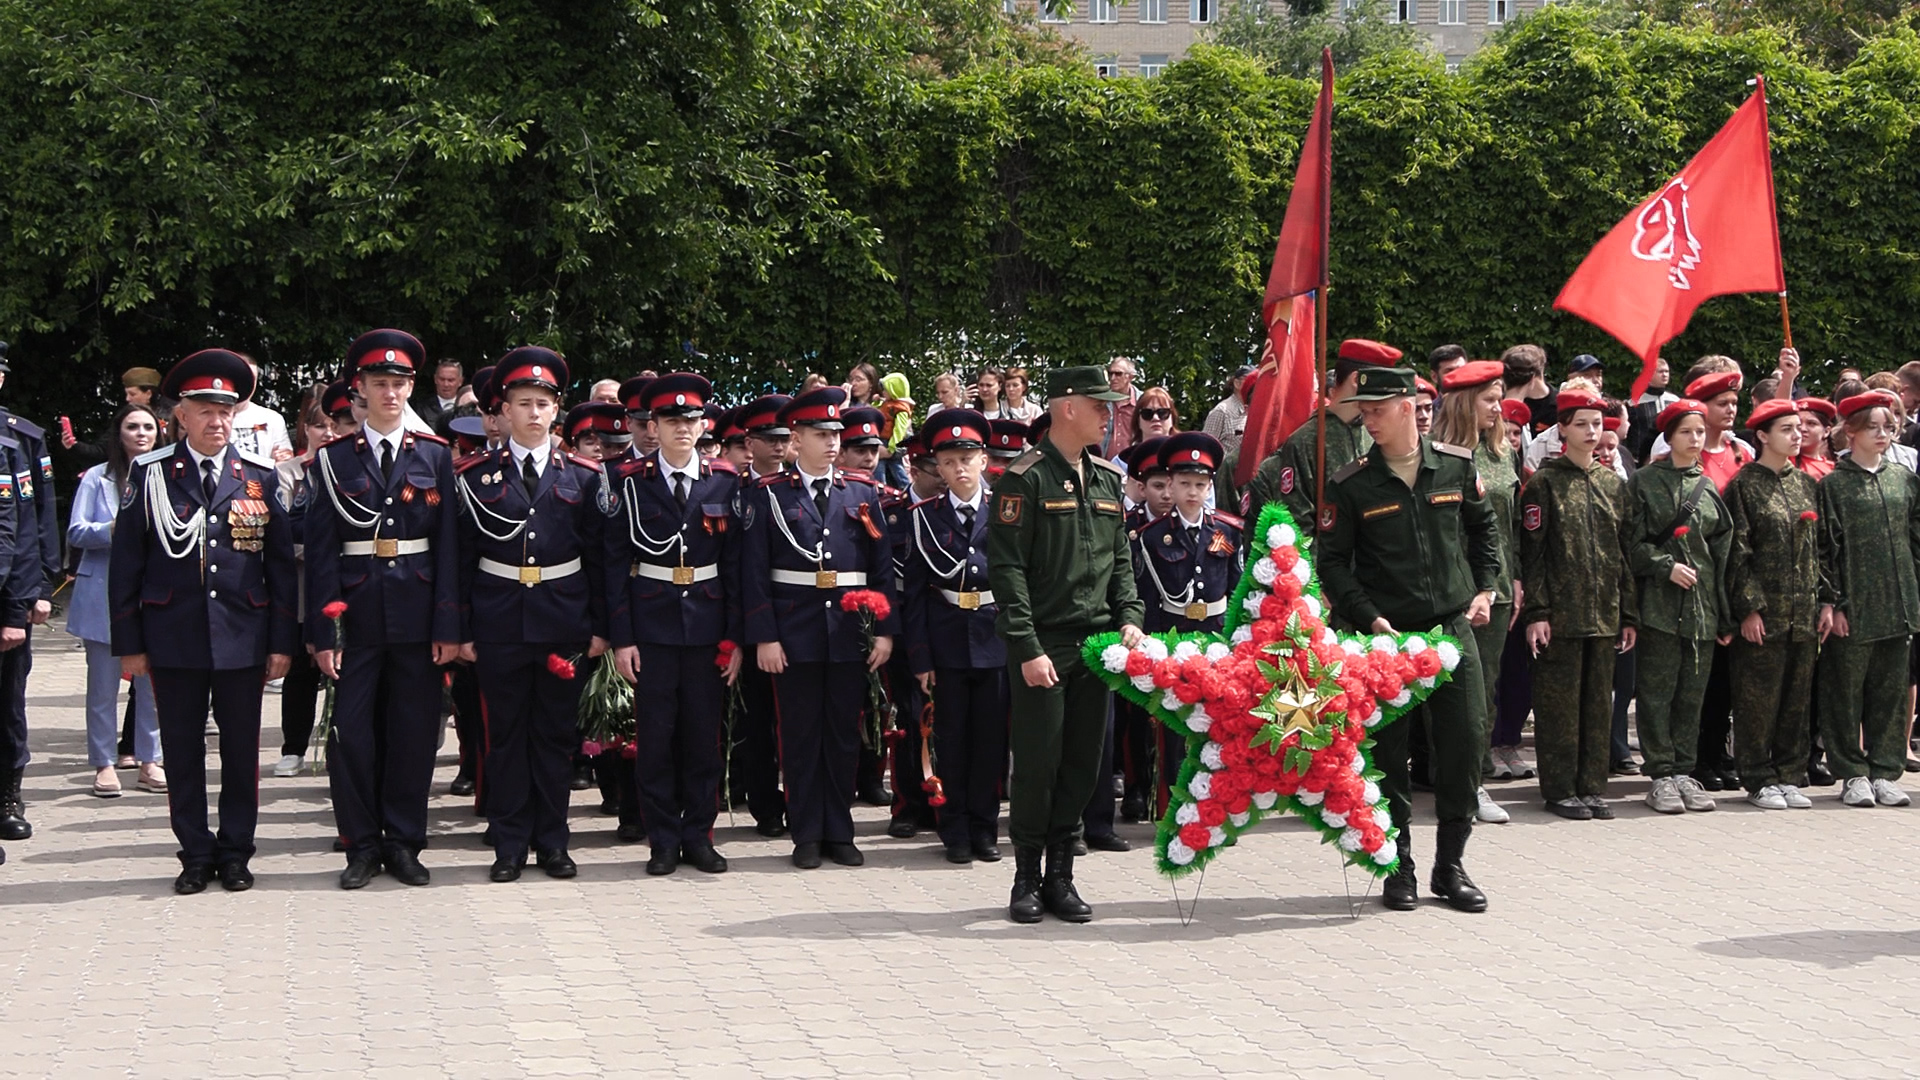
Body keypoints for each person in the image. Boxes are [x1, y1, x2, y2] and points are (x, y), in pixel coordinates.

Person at [110, 349, 298, 894]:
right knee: (183, 752)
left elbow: (281, 569)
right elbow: (126, 567)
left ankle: (236, 852)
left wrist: (282, 640)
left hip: (244, 636)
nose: (218, 422)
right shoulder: (150, 476)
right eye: (206, 411)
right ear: (182, 417)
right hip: (173, 637)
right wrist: (130, 644)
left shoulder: (258, 477)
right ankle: (194, 853)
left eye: (226, 412)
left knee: (242, 754)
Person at [1316, 364, 1497, 913]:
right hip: (1386, 641)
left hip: (1451, 632)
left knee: (1465, 748)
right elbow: (1332, 562)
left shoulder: (1457, 467)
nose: (1367, 419)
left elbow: (1485, 530)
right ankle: (1401, 867)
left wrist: (1486, 588)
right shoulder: (1350, 483)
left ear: (1407, 405)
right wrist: (1366, 615)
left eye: (1375, 409)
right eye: (1362, 411)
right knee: (1389, 759)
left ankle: (1451, 866)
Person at [305, 330, 462, 890]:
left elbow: (448, 549)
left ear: (411, 388)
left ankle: (404, 842)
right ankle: (361, 844)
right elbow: (320, 552)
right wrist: (323, 632)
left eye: (399, 384)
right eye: (380, 384)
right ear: (360, 391)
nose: (391, 393)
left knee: (415, 732)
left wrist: (449, 623)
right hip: (356, 616)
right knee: (352, 734)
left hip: (419, 615)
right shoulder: (331, 461)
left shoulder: (437, 456)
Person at [988, 366, 1142, 924]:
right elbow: (1006, 571)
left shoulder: (1106, 479)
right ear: (1067, 407)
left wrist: (1130, 616)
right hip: (1045, 642)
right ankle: (1025, 875)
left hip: (1097, 642)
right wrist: (1027, 647)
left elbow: (1120, 562)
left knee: (1083, 764)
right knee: (1038, 763)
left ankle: (1061, 876)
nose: (1109, 414)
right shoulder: (1022, 480)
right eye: (1100, 405)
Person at [454, 347, 608, 882]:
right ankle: (509, 845)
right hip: (498, 622)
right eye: (524, 403)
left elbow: (601, 558)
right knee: (505, 738)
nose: (535, 413)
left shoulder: (585, 476)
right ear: (503, 410)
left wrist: (601, 628)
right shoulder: (474, 476)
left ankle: (554, 843)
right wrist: (461, 629)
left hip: (563, 620)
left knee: (555, 737)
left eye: (544, 403)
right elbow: (459, 559)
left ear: (557, 410)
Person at [740, 387, 898, 869]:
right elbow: (754, 572)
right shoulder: (768, 495)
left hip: (848, 632)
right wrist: (764, 636)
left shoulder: (862, 492)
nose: (832, 443)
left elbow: (882, 568)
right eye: (820, 434)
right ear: (796, 439)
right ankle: (807, 832)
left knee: (844, 735)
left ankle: (840, 831)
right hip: (794, 633)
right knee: (802, 736)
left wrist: (886, 631)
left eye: (835, 433)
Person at [605, 373, 740, 874]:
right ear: (652, 427)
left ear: (703, 425)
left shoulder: (724, 481)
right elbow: (614, 565)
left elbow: (737, 568)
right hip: (653, 625)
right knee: (656, 739)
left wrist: (737, 639)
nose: (682, 428)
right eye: (670, 420)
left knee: (703, 738)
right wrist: (623, 638)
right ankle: (662, 839)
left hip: (707, 626)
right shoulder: (628, 482)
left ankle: (699, 835)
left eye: (690, 420)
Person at [1518, 387, 1638, 821]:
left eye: (1598, 424)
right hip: (1561, 616)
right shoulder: (1545, 483)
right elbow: (1533, 553)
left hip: (1604, 613)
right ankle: (1559, 788)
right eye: (1582, 424)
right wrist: (1538, 612)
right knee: (1559, 706)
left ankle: (1591, 787)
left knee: (1598, 705)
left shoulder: (1612, 484)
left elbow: (1623, 552)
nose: (1592, 432)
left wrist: (1628, 613)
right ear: (1562, 429)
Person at [903, 409, 1008, 863]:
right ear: (938, 468)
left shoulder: (1007, 510)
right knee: (951, 741)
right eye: (948, 461)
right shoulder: (924, 516)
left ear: (984, 460)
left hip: (995, 637)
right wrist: (921, 656)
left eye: (967, 457)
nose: (959, 468)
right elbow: (914, 594)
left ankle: (985, 828)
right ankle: (955, 830)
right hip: (946, 639)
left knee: (990, 742)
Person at [1626, 399, 1730, 814]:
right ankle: (1661, 774)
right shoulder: (1645, 482)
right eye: (1686, 431)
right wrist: (1664, 565)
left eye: (1700, 432)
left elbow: (1723, 553)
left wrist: (1725, 611)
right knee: (1656, 693)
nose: (1695, 439)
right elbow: (1629, 545)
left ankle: (1685, 770)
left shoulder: (1708, 487)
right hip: (1659, 608)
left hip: (1703, 611)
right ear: (1668, 436)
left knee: (1692, 695)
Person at [1817, 390, 1918, 808]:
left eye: (1889, 426)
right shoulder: (1833, 485)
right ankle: (1851, 771)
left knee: (1891, 692)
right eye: (1873, 427)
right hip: (1854, 605)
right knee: (1845, 691)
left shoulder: (1905, 480)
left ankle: (1885, 768)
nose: (1883, 434)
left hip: (1899, 604)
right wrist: (1832, 602)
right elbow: (1825, 548)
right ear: (1851, 432)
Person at [1132, 432, 1241, 818]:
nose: (1192, 492)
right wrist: (1153, 645)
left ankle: (1215, 806)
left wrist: (1233, 643)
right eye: (1184, 484)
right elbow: (1145, 595)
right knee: (1175, 727)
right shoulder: (1150, 537)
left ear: (1209, 486)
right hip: (1173, 636)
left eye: (1200, 484)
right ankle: (1172, 805)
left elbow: (1236, 589)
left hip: (1213, 636)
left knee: (1216, 727)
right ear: (1171, 486)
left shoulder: (1227, 531)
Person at [1723, 398, 1821, 811]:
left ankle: (1788, 773)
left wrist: (1825, 602)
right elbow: (1737, 553)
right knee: (1757, 699)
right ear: (1762, 436)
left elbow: (1820, 551)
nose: (1796, 435)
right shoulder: (1744, 485)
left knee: (1796, 699)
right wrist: (1749, 608)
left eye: (1799, 428)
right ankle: (1759, 777)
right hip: (1765, 614)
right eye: (1786, 429)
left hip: (1803, 613)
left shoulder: (1806, 484)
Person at [67, 403, 168, 798]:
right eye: (132, 427)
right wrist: (113, 529)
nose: (141, 434)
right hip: (102, 595)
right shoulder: (97, 477)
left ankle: (150, 760)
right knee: (103, 686)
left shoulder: (167, 476)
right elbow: (76, 530)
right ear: (119, 433)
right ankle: (105, 764)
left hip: (155, 593)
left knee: (151, 686)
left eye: (148, 427)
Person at [1432, 360, 1519, 819]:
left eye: (1499, 397)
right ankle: (1462, 785)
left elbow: (1509, 524)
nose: (1497, 407)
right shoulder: (1439, 454)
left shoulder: (1502, 452)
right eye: (1489, 399)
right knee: (1460, 696)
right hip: (1455, 592)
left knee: (1485, 691)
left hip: (1499, 590)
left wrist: (1515, 577)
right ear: (1465, 403)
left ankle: (1473, 781)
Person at [271, 385, 353, 778]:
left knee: (344, 670)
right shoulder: (288, 472)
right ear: (307, 429)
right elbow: (281, 532)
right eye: (319, 426)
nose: (327, 434)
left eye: (333, 426)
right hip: (303, 587)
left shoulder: (349, 467)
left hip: (348, 586)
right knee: (302, 671)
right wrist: (317, 544)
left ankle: (337, 745)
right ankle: (293, 747)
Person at [1242, 339, 1399, 537]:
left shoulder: (1375, 435)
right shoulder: (1307, 440)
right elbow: (1299, 528)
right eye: (1380, 383)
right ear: (1357, 380)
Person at [0, 341, 59, 847]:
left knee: (7, 702)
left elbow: (35, 522)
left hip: (8, 593)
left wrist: (36, 589)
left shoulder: (21, 440)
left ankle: (8, 795)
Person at [728, 395, 793, 838]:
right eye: (768, 439)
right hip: (748, 623)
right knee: (755, 724)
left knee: (796, 722)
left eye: (784, 439)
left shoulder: (797, 489)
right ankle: (764, 805)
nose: (777, 447)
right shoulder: (733, 491)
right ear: (750, 442)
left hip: (797, 621)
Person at [230, 356, 295, 461]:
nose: (248, 383)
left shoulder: (273, 419)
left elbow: (287, 462)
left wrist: (282, 461)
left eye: (252, 378)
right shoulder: (212, 417)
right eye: (242, 377)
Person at [1625, 357, 1679, 464]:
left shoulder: (1675, 401)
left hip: (1670, 456)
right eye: (1660, 371)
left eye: (1666, 371)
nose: (1665, 375)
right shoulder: (1632, 404)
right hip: (1639, 459)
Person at [1202, 365, 1256, 457]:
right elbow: (1204, 447)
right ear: (1237, 383)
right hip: (1224, 470)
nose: (1254, 384)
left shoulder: (1255, 411)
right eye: (1249, 379)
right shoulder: (1222, 411)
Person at [1103, 357, 1142, 457]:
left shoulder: (1142, 402)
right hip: (1105, 465)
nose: (1113, 378)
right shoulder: (1102, 402)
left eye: (1118, 374)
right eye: (1110, 373)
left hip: (1133, 463)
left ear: (1130, 377)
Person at [412, 359, 465, 428]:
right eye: (442, 379)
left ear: (460, 381)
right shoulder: (420, 407)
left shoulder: (466, 408)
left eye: (451, 380)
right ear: (435, 379)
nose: (446, 384)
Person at [1795, 398, 1837, 479]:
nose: (1803, 429)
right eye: (1798, 423)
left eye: (1811, 423)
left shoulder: (1833, 468)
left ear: (1826, 431)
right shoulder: (1786, 460)